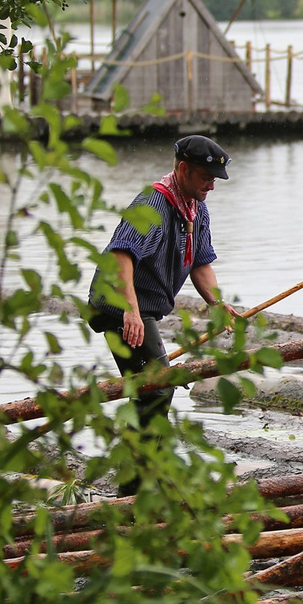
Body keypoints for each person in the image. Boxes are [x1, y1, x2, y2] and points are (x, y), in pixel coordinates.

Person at [89, 134, 241, 494]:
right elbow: (120, 256)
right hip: (117, 305)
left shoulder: (194, 208)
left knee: (153, 390)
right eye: (206, 178)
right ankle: (131, 488)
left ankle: (142, 478)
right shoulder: (153, 204)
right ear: (184, 169)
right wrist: (130, 311)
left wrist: (216, 303)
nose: (211, 187)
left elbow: (201, 261)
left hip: (144, 309)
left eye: (215, 180)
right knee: (156, 387)